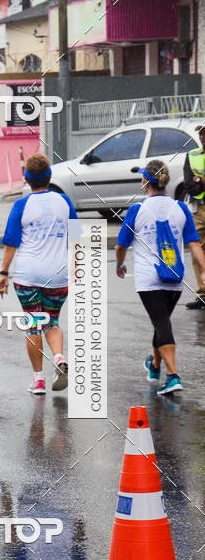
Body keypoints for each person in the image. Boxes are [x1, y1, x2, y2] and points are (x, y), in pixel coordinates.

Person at [116, 160, 205, 396]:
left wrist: (119, 263)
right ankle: (155, 366)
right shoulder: (181, 208)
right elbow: (194, 243)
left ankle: (173, 375)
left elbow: (120, 245)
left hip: (149, 279)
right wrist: (204, 270)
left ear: (146, 181)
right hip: (176, 278)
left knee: (162, 323)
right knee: (160, 321)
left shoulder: (137, 210)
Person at [0, 153, 76, 395]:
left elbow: (11, 243)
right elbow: (75, 239)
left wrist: (3, 273)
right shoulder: (64, 202)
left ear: (26, 179)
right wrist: (76, 269)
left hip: (28, 274)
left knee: (33, 325)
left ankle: (39, 380)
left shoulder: (21, 205)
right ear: (49, 176)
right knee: (51, 321)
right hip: (58, 273)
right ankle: (59, 357)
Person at [183, 123, 205, 309]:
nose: (203, 137)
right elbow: (189, 184)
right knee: (197, 248)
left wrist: (201, 181)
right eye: (201, 134)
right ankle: (202, 293)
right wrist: (200, 184)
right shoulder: (192, 155)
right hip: (199, 207)